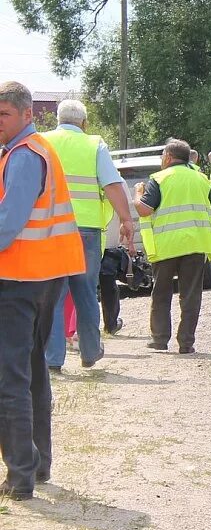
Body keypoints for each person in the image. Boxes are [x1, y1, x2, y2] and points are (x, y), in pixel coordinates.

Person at [0, 80, 86, 500]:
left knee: (9, 377)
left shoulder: (22, 157)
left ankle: (20, 477)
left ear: (27, 114)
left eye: (4, 115)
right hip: (45, 277)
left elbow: (7, 225)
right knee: (33, 370)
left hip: (18, 280)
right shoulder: (37, 150)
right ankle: (39, 463)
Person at [42, 99, 137, 371]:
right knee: (85, 292)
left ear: (57, 120)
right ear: (84, 122)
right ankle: (90, 351)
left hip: (50, 230)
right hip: (86, 230)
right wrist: (126, 219)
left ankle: (53, 359)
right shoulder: (94, 144)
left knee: (54, 294)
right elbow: (112, 185)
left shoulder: (42, 143)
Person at [134, 139, 211, 354]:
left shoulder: (159, 179)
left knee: (161, 293)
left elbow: (144, 210)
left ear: (168, 157)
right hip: (196, 244)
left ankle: (160, 339)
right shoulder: (201, 179)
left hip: (167, 246)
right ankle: (186, 342)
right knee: (191, 295)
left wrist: (137, 192)